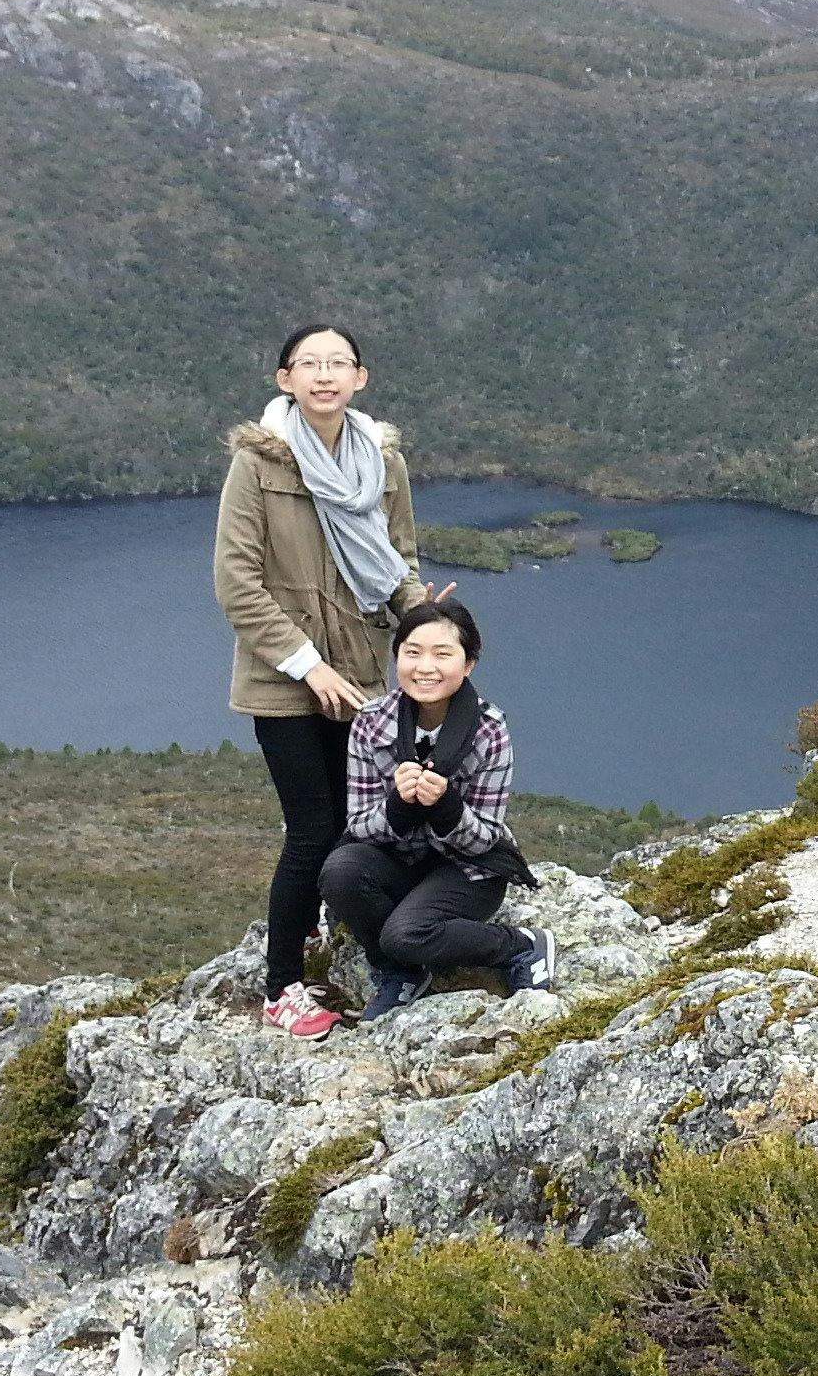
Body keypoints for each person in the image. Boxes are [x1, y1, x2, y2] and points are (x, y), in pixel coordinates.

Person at [213, 322, 427, 1041]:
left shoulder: (382, 462)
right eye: (310, 364)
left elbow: (397, 562)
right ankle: (283, 987)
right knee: (311, 830)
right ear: (286, 380)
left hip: (360, 671)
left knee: (355, 823)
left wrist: (424, 616)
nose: (325, 375)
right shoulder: (258, 463)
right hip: (284, 681)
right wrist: (308, 664)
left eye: (339, 364)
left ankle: (324, 930)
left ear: (360, 378)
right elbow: (237, 583)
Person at [318, 598, 559, 1021]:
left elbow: (485, 838)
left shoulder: (489, 731)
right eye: (412, 652)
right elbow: (358, 826)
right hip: (399, 859)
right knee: (340, 872)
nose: (425, 667)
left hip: (467, 869)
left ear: (468, 665)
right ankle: (401, 972)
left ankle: (521, 945)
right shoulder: (372, 722)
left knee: (406, 935)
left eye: (442, 654)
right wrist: (397, 807)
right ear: (397, 657)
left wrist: (447, 808)